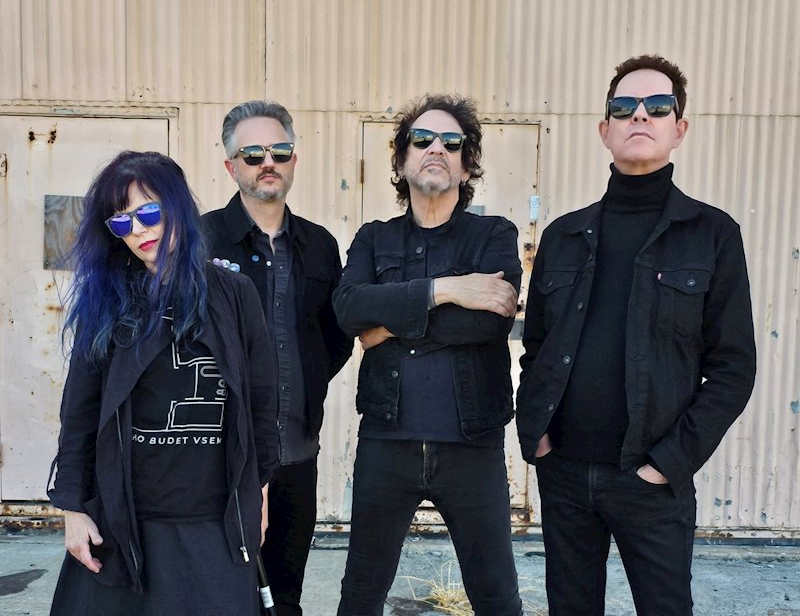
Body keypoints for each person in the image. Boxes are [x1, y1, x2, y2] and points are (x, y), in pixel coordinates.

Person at [516, 54, 757, 615]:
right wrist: (539, 437)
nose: (640, 116)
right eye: (624, 107)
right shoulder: (564, 235)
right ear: (605, 129)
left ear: (680, 128)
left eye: (658, 106)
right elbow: (537, 350)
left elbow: (733, 368)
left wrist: (668, 462)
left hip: (652, 480)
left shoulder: (712, 234)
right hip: (565, 473)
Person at [47, 151, 279, 615]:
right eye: (121, 222)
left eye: (149, 213)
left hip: (212, 522)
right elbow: (80, 413)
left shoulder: (234, 293)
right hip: (124, 522)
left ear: (178, 207)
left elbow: (262, 403)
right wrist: (73, 509)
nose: (138, 230)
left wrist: (259, 492)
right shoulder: (107, 303)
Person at [333, 94, 524, 615]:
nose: (436, 148)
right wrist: (446, 289)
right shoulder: (374, 239)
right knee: (360, 595)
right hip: (386, 443)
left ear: (467, 165)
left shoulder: (494, 234)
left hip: (472, 446)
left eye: (451, 142)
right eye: (421, 140)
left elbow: (488, 321)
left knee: (497, 596)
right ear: (401, 162)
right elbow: (348, 309)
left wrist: (385, 325)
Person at [202, 100, 353, 615]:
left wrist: (304, 383)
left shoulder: (320, 245)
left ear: (294, 160)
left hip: (295, 453)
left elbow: (334, 337)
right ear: (231, 167)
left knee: (285, 595)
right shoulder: (200, 240)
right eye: (252, 154)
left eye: (279, 151)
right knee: (220, 594)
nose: (267, 163)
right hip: (217, 456)